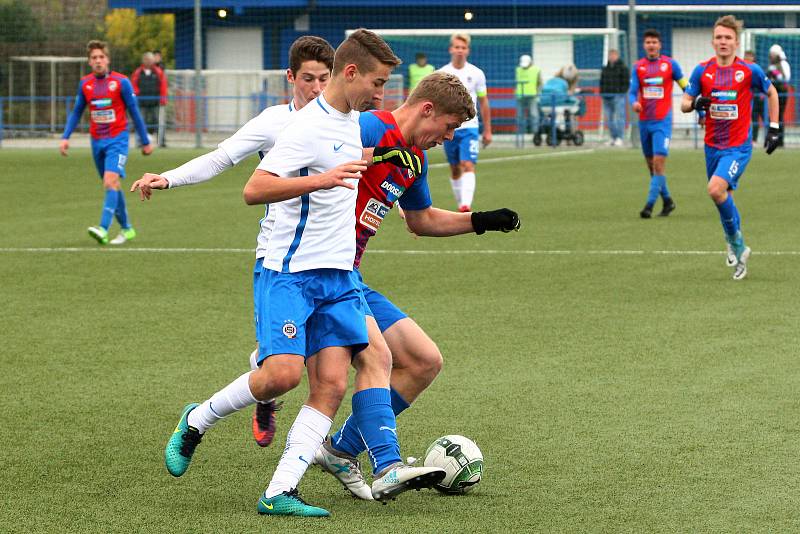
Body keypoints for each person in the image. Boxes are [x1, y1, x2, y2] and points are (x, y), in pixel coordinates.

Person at [163, 29, 443, 517]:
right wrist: (323, 179)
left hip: (337, 277)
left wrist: (391, 164)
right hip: (290, 273)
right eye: (377, 83)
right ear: (351, 73)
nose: (382, 95)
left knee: (333, 383)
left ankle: (280, 492)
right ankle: (197, 419)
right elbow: (254, 187)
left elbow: (373, 158)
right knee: (280, 376)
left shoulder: (356, 125)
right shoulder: (304, 127)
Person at [309, 71, 520, 501]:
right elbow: (315, 159)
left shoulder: (416, 161)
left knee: (424, 360)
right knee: (379, 358)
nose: (448, 137)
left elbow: (421, 220)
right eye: (448, 127)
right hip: (317, 272)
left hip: (351, 275)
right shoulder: (371, 126)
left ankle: (340, 451)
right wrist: (372, 154)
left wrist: (481, 221)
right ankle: (387, 464)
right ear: (427, 109)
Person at [132, 35, 336, 450]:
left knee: (335, 360)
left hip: (331, 255)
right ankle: (258, 398)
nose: (316, 89)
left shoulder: (343, 120)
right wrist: (167, 177)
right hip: (279, 254)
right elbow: (220, 158)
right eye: (308, 79)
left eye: (324, 80)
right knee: (285, 368)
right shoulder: (274, 122)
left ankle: (282, 405)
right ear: (290, 77)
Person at [681, 15, 780, 281]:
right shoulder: (703, 70)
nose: (723, 41)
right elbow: (684, 103)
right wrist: (697, 103)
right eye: (719, 37)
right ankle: (735, 244)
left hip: (738, 147)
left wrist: (774, 127)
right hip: (712, 146)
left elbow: (771, 93)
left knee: (715, 189)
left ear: (736, 42)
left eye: (728, 38)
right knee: (722, 195)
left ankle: (737, 245)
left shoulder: (749, 71)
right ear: (713, 41)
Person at [60, 40, 152, 246]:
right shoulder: (86, 84)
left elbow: (134, 112)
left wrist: (145, 141)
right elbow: (76, 112)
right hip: (97, 142)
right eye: (94, 58)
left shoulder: (121, 82)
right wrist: (65, 136)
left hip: (118, 140)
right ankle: (127, 229)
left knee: (110, 182)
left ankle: (103, 228)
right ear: (89, 62)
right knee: (113, 185)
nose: (98, 61)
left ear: (107, 59)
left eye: (101, 57)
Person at [629, 29, 688, 219]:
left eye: (654, 42)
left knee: (658, 164)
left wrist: (698, 106)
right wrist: (634, 103)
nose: (651, 45)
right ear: (644, 45)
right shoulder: (638, 67)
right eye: (648, 42)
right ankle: (668, 201)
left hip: (663, 122)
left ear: (660, 45)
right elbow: (632, 92)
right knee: (651, 166)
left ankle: (649, 206)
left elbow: (687, 87)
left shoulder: (670, 65)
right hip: (645, 122)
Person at [439, 33, 492, 212]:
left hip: (470, 126)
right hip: (449, 128)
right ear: (450, 49)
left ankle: (465, 206)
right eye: (457, 47)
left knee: (467, 164)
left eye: (463, 47)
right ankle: (460, 202)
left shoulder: (477, 73)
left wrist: (488, 130)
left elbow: (483, 102)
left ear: (467, 50)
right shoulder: (442, 74)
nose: (460, 51)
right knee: (455, 169)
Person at [131, 52, 168, 146]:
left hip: (156, 102)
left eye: (150, 59)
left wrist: (163, 99)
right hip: (142, 102)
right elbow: (134, 86)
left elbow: (163, 86)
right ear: (143, 60)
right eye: (146, 59)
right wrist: (135, 97)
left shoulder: (158, 72)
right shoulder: (138, 72)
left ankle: (161, 141)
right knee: (140, 121)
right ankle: (140, 142)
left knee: (159, 122)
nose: (149, 61)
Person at [600, 48, 629, 146]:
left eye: (613, 55)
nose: (612, 57)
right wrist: (602, 92)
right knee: (609, 118)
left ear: (617, 56)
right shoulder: (605, 68)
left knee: (620, 117)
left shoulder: (623, 67)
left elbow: (626, 82)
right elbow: (602, 81)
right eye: (610, 55)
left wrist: (622, 92)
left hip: (618, 96)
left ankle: (620, 138)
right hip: (606, 96)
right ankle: (613, 137)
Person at [767, 44, 791, 148]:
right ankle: (771, 139)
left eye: (773, 54)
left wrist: (775, 72)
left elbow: (786, 79)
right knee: (772, 116)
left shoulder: (784, 64)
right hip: (773, 93)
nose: (771, 56)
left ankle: (780, 141)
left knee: (779, 116)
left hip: (781, 93)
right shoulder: (772, 65)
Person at [515, 54, 542, 140]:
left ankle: (535, 134)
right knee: (520, 115)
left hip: (532, 95)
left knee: (534, 114)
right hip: (520, 96)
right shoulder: (518, 70)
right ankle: (520, 134)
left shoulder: (536, 70)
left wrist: (538, 92)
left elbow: (540, 82)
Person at [744, 50, 766, 144]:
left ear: (753, 57)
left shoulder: (757, 69)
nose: (747, 58)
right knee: (753, 118)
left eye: (750, 56)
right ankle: (753, 139)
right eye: (746, 56)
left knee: (765, 118)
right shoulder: (742, 69)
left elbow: (765, 83)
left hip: (759, 98)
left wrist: (763, 93)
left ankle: (770, 137)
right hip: (749, 98)